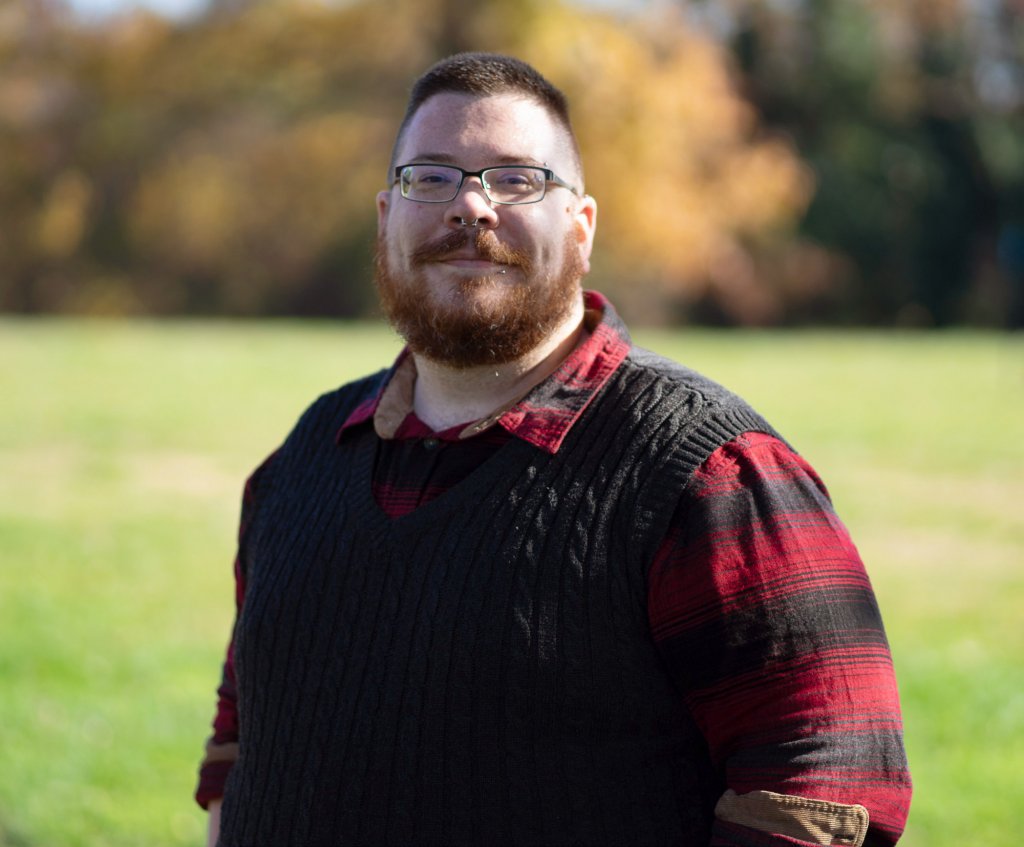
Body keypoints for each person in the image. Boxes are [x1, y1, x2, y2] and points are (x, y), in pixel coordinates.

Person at [195, 52, 912, 847]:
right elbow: (242, 740)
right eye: (430, 177)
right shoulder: (306, 458)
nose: (471, 205)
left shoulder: (710, 473)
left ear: (582, 226)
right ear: (385, 217)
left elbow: (823, 791)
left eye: (516, 179)